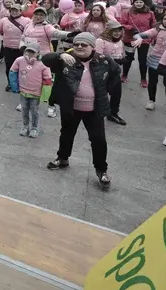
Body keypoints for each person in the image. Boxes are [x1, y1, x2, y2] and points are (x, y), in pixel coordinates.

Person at [42, 32, 119, 189]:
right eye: (76, 44)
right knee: (67, 134)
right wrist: (60, 55)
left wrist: (106, 92)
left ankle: (101, 170)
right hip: (71, 107)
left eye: (84, 44)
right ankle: (62, 158)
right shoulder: (66, 60)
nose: (79, 47)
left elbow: (115, 73)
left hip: (94, 108)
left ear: (92, 47)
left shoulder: (104, 60)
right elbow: (45, 59)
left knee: (98, 140)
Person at [132, 12, 166, 111]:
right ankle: (151, 100)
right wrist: (139, 39)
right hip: (155, 58)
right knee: (152, 82)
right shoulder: (158, 29)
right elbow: (138, 35)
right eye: (165, 19)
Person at [9, 41, 52, 138]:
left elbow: (47, 80)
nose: (30, 53)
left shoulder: (43, 64)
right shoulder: (19, 60)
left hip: (35, 93)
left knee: (34, 111)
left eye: (33, 52)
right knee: (24, 110)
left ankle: (34, 128)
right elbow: (13, 72)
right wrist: (15, 87)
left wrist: (45, 95)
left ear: (38, 53)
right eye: (28, 51)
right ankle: (25, 126)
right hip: (23, 92)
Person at [0, 4, 30, 92]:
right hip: (8, 48)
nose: (14, 12)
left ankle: (21, 84)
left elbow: (31, 32)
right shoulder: (4, 20)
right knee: (9, 68)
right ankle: (11, 83)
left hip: (21, 49)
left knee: (21, 68)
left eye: (16, 10)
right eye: (12, 10)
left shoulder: (27, 20)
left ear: (20, 11)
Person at [95, 21, 127, 125]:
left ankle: (113, 114)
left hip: (115, 72)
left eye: (119, 31)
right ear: (108, 30)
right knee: (100, 94)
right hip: (103, 72)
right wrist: (113, 61)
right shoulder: (101, 41)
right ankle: (95, 113)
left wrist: (124, 59)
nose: (117, 33)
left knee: (116, 94)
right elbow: (98, 57)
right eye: (114, 31)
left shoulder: (120, 41)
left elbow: (121, 55)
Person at [119, 0, 156, 85]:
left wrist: (154, 37)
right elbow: (122, 23)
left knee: (142, 60)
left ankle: (143, 78)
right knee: (128, 58)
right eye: (137, 2)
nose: (138, 4)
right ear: (133, 3)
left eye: (141, 2)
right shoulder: (127, 12)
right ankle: (124, 74)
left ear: (144, 3)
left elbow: (154, 26)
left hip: (144, 39)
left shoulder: (150, 13)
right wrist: (130, 28)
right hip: (130, 39)